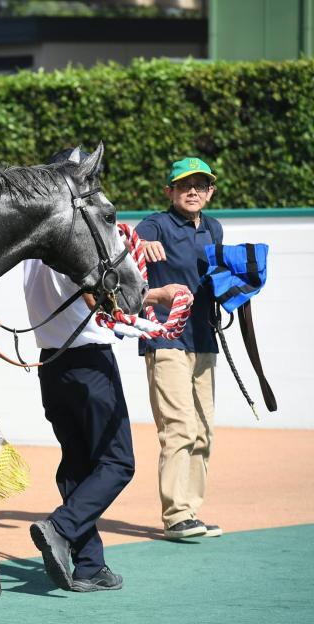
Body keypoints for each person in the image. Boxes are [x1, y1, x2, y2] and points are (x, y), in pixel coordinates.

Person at [27, 147, 190, 592]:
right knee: (117, 462)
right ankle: (60, 527)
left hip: (51, 365)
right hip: (88, 361)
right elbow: (97, 295)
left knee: (77, 465)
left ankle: (88, 565)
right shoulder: (73, 240)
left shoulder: (34, 245)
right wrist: (159, 296)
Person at [135, 158, 224, 540]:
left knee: (203, 431)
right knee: (180, 427)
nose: (192, 191)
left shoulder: (215, 228)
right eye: (184, 185)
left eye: (200, 185)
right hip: (165, 338)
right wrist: (142, 244)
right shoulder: (155, 223)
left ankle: (191, 513)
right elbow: (125, 247)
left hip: (204, 340)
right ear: (169, 191)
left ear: (210, 192)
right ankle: (176, 517)